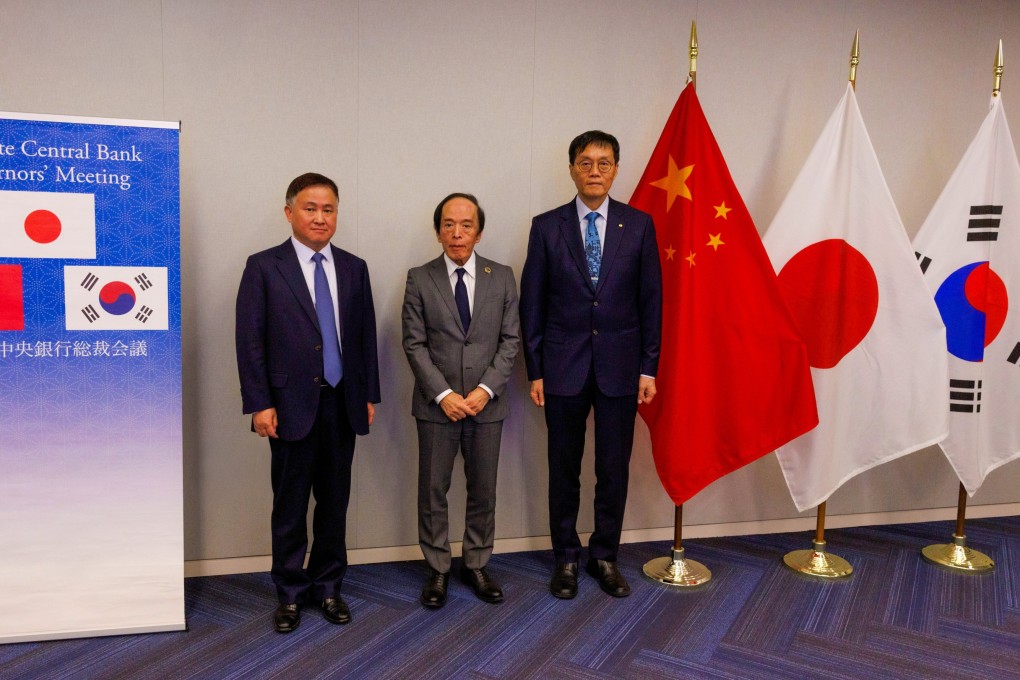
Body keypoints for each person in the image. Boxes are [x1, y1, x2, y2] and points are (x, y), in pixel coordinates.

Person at [235, 172, 380, 633]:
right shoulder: (263, 266)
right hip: (288, 405)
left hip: (343, 402)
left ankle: (329, 586)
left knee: (335, 503)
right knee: (291, 504)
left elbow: (364, 338)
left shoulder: (354, 267)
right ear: (289, 212)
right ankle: (292, 593)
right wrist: (259, 402)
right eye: (310, 208)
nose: (320, 217)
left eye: (329, 209)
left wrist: (369, 393)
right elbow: (250, 341)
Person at [520, 131, 662, 599]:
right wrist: (535, 370)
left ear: (617, 169)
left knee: (612, 468)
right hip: (562, 368)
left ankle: (604, 556)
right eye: (586, 162)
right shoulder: (546, 226)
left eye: (604, 162)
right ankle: (565, 556)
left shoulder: (638, 225)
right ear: (572, 169)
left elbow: (651, 302)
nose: (595, 170)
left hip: (621, 369)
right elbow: (532, 305)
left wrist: (648, 368)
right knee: (563, 467)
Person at [401, 193, 520, 608]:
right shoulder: (420, 277)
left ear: (479, 231)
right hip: (437, 407)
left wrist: (485, 391)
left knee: (483, 490)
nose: (457, 232)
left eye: (466, 224)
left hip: (487, 406)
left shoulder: (502, 276)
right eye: (448, 224)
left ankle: (477, 562)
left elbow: (510, 341)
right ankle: (437, 569)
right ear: (438, 232)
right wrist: (446, 395)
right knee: (433, 490)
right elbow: (414, 345)